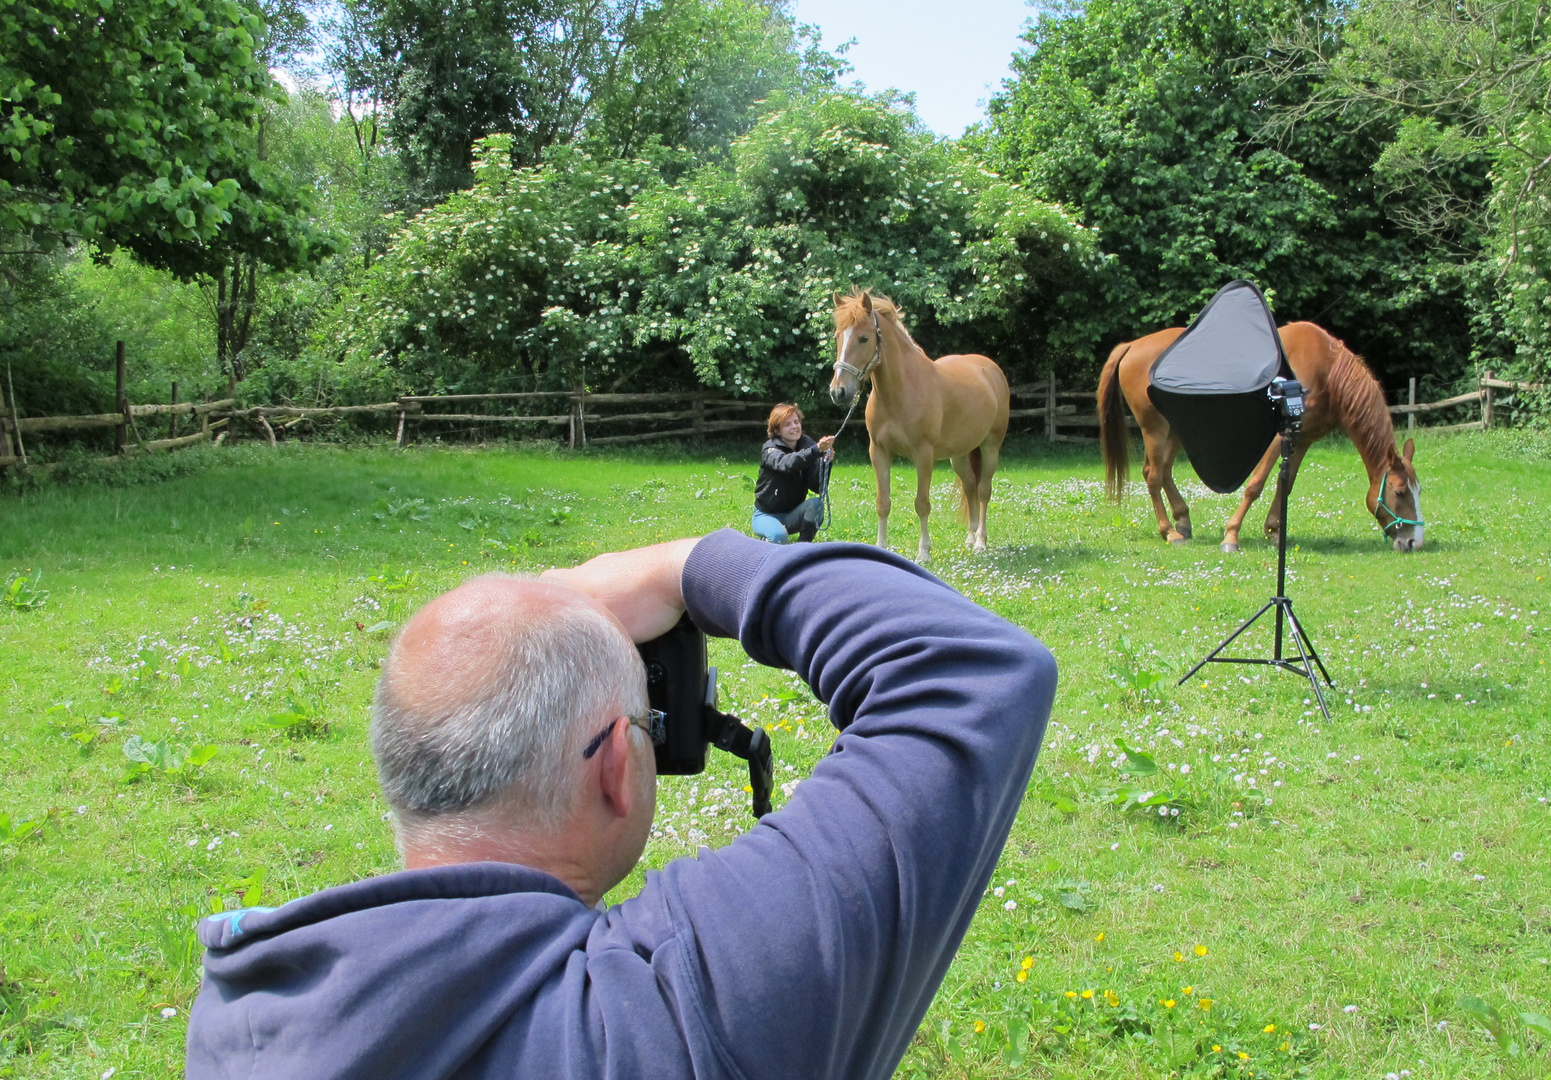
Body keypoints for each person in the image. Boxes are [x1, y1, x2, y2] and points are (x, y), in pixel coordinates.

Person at [185, 530, 1057, 1080]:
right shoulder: (676, 1007)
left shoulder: (247, 1011)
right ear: (615, 770)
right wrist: (685, 564)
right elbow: (966, 668)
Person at [753, 402, 835, 543]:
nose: (794, 427)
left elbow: (817, 487)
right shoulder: (769, 449)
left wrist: (825, 463)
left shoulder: (807, 445)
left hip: (792, 515)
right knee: (779, 536)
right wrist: (814, 451)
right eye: (787, 424)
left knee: (817, 504)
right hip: (766, 515)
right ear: (777, 430)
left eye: (796, 422)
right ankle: (768, 539)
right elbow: (787, 463)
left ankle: (803, 547)